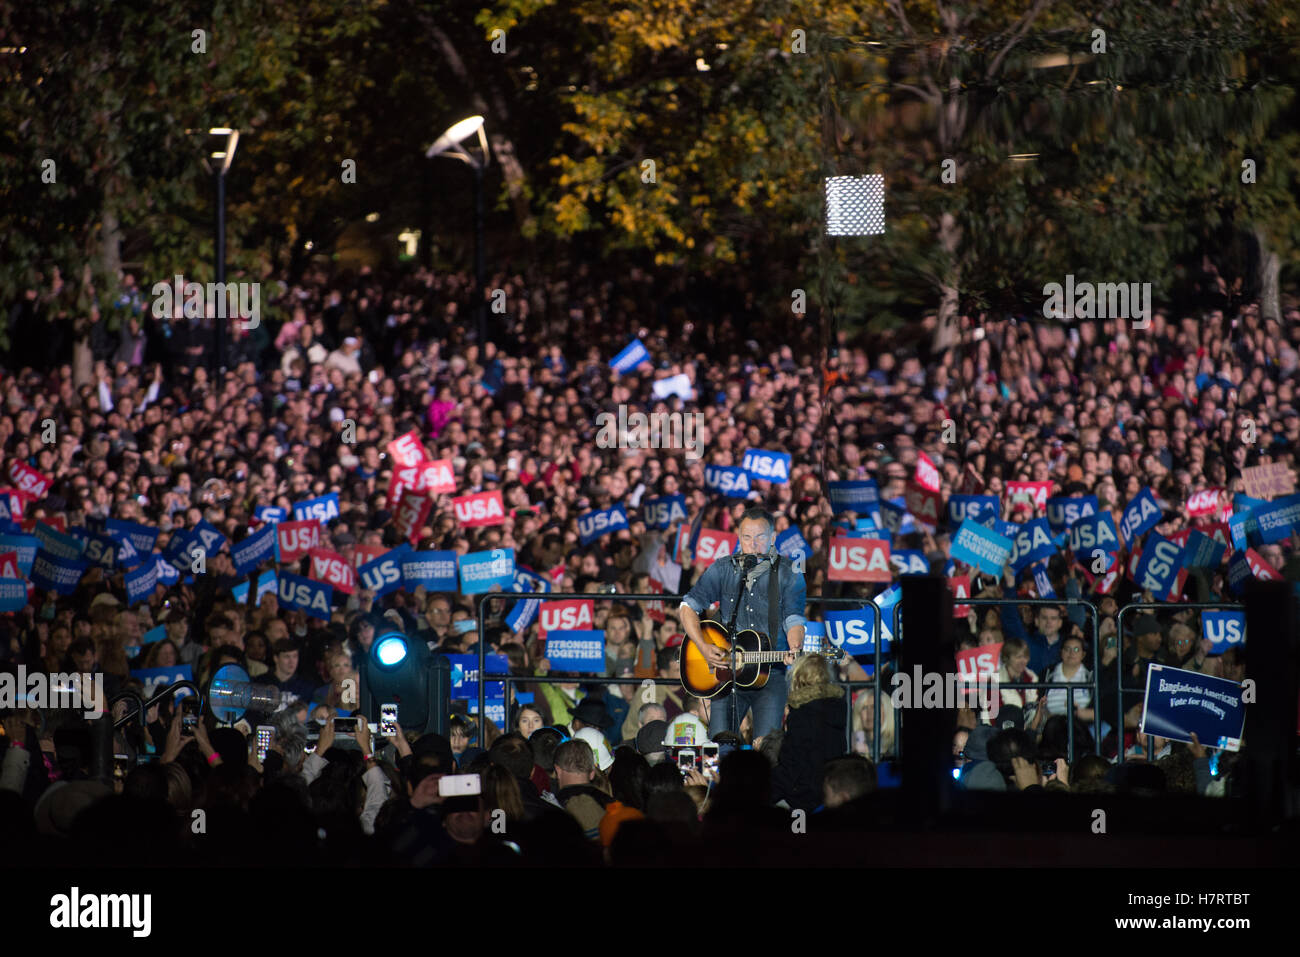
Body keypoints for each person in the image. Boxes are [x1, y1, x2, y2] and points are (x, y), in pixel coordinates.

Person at [678, 506, 806, 741]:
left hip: (770, 673)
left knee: (767, 747)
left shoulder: (790, 573)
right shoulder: (723, 568)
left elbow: (793, 617)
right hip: (725, 674)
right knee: (719, 745)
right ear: (739, 537)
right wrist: (704, 646)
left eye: (760, 537)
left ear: (773, 538)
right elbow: (687, 607)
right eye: (747, 537)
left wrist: (795, 645)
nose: (753, 544)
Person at [770, 655, 846, 810]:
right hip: (830, 794)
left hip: (804, 799)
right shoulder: (838, 709)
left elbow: (791, 766)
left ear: (797, 679)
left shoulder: (801, 715)